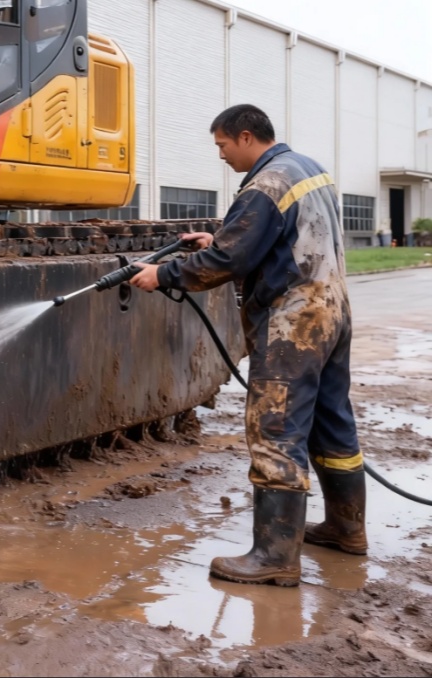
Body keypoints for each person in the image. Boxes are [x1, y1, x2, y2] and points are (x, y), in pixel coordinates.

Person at [129, 104, 367, 587]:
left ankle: (275, 556)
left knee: (276, 429)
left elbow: (228, 261)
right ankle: (347, 528)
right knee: (331, 421)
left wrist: (162, 273)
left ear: (244, 136)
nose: (221, 156)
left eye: (221, 145)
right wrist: (217, 237)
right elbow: (280, 234)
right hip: (332, 309)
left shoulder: (264, 185)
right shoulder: (305, 168)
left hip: (293, 323)